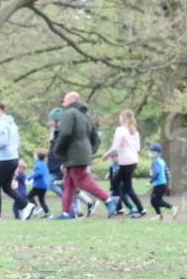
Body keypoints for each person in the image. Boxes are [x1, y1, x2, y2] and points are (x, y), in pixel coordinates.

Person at [52, 92, 117, 220]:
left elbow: (65, 133)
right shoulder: (86, 115)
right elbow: (95, 137)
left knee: (82, 180)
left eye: (64, 100)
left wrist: (58, 150)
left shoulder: (68, 113)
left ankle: (109, 200)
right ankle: (67, 213)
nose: (62, 103)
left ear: (71, 100)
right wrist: (89, 150)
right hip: (81, 152)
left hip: (74, 154)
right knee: (68, 183)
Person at [0, 104, 35, 220]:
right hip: (14, 158)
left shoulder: (1, 124)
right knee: (6, 187)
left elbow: (3, 142)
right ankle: (26, 205)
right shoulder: (12, 124)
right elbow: (18, 142)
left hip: (4, 159)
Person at [102, 109, 145, 218]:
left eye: (120, 117)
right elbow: (138, 148)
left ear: (123, 118)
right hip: (133, 161)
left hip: (125, 162)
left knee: (117, 184)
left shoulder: (120, 130)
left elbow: (115, 147)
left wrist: (105, 156)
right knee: (123, 186)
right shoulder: (135, 131)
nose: (119, 119)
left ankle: (117, 206)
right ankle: (125, 207)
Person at [147, 143, 179, 221]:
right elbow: (166, 172)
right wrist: (169, 183)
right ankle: (159, 216)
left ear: (156, 153)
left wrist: (150, 182)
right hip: (162, 184)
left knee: (154, 201)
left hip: (160, 185)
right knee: (156, 200)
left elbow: (157, 173)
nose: (149, 153)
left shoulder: (156, 162)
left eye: (151, 152)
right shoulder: (161, 161)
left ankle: (173, 208)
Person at [28, 148, 52, 218]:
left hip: (39, 185)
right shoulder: (44, 163)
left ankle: (36, 208)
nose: (34, 156)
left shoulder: (38, 164)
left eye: (35, 155)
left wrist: (30, 177)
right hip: (44, 185)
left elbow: (39, 173)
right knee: (41, 199)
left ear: (37, 156)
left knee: (29, 196)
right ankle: (48, 214)